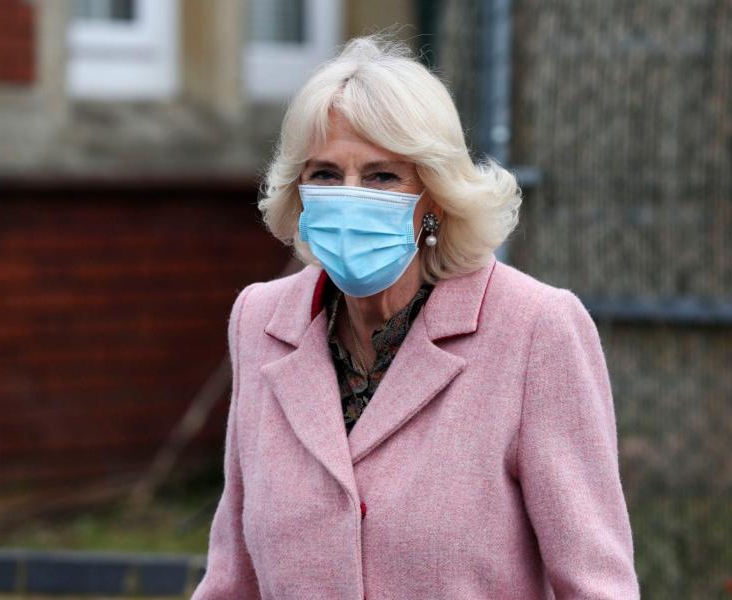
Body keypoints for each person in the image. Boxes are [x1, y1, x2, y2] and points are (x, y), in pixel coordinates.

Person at [190, 35, 639, 599]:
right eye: (326, 174)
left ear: (434, 198)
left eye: (382, 177)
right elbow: (233, 579)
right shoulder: (260, 321)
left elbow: (597, 585)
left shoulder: (535, 329)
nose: (349, 198)